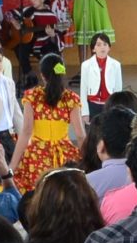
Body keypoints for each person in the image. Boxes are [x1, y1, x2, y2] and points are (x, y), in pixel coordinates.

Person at [8, 52, 85, 192]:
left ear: (42, 75)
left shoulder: (32, 97)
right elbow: (80, 135)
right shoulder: (71, 98)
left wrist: (12, 166)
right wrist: (88, 160)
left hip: (37, 156)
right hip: (64, 156)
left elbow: (26, 132)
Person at [81, 33, 123, 107]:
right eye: (99, 45)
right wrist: (84, 112)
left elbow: (118, 89)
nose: (102, 47)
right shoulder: (86, 65)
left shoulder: (116, 64)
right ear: (93, 49)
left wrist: (117, 107)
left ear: (109, 48)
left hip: (110, 103)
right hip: (92, 103)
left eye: (105, 44)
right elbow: (83, 89)